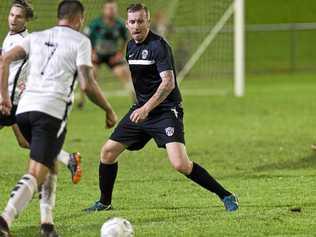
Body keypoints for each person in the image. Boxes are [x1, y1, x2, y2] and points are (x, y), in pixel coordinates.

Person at [84, 3, 238, 213]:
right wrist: (141, 107)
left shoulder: (159, 46)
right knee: (108, 152)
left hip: (165, 111)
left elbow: (168, 83)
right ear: (127, 24)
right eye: (132, 22)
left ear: (148, 22)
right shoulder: (130, 47)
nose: (136, 26)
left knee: (180, 164)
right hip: (141, 110)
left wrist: (146, 108)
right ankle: (104, 202)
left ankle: (226, 195)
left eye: (140, 21)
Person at [0, 1, 117, 236]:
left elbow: (5, 59)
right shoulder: (80, 41)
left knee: (50, 165)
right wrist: (108, 109)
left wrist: (3, 96)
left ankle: (47, 224)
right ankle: (4, 220)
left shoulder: (37, 36)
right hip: (50, 112)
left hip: (23, 110)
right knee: (36, 172)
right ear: (79, 19)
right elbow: (87, 83)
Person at [0, 0, 82, 185]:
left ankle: (52, 171)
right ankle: (68, 159)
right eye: (12, 14)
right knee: (25, 142)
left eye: (19, 16)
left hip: (10, 101)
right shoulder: (12, 36)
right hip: (13, 100)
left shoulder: (24, 41)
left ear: (26, 20)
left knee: (31, 143)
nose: (13, 19)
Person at [78, 0, 135, 108]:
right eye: (109, 9)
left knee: (123, 72)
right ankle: (82, 100)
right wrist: (91, 52)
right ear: (104, 10)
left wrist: (121, 53)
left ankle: (135, 99)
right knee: (89, 74)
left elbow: (128, 39)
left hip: (112, 55)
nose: (111, 11)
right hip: (97, 55)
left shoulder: (120, 24)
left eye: (113, 9)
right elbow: (84, 39)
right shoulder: (95, 24)